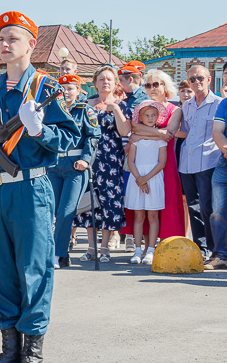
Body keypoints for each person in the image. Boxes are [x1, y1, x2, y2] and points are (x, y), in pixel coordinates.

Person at [0, 11, 78, 363]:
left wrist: (40, 129)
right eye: (3, 37)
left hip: (30, 188)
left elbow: (67, 141)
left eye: (14, 38)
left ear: (31, 45)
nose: (6, 43)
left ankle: (33, 354)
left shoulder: (45, 89)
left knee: (34, 269)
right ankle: (9, 349)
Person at [74, 66, 132, 263]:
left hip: (111, 160)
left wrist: (114, 108)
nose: (105, 82)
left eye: (109, 79)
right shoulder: (85, 104)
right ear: (95, 83)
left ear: (116, 83)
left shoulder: (121, 105)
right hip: (89, 159)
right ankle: (91, 247)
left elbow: (125, 132)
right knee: (89, 202)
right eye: (101, 79)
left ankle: (105, 247)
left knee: (109, 202)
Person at [123, 69, 185, 243]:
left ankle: (168, 242)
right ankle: (144, 245)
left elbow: (170, 133)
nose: (152, 88)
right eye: (148, 85)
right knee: (143, 205)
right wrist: (157, 132)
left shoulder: (175, 109)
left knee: (167, 202)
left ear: (165, 86)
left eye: (156, 84)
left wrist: (143, 133)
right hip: (142, 162)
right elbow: (134, 129)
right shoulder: (142, 107)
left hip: (165, 163)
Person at [47, 74, 100, 269]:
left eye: (70, 88)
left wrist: (86, 160)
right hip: (53, 166)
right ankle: (57, 251)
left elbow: (93, 137)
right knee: (51, 212)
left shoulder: (84, 110)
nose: (66, 92)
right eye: (62, 88)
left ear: (79, 91)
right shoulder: (52, 111)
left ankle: (58, 254)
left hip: (75, 167)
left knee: (65, 212)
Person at [177, 65, 221, 259]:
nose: (197, 82)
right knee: (192, 207)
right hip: (186, 162)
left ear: (209, 79)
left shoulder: (220, 103)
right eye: (192, 79)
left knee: (207, 207)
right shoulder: (186, 105)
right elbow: (185, 132)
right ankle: (200, 248)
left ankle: (214, 249)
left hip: (209, 162)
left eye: (200, 78)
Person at [126, 101, 168, 265]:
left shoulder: (160, 140)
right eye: (147, 115)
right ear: (140, 118)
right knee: (139, 215)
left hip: (154, 178)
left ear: (157, 118)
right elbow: (131, 162)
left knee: (152, 215)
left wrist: (146, 178)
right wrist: (139, 179)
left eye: (153, 115)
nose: (150, 118)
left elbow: (161, 163)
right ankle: (137, 250)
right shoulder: (135, 139)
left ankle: (150, 250)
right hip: (137, 179)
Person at [206, 95, 227, 270]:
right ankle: (221, 255)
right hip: (224, 163)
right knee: (218, 211)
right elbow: (217, 131)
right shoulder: (225, 104)